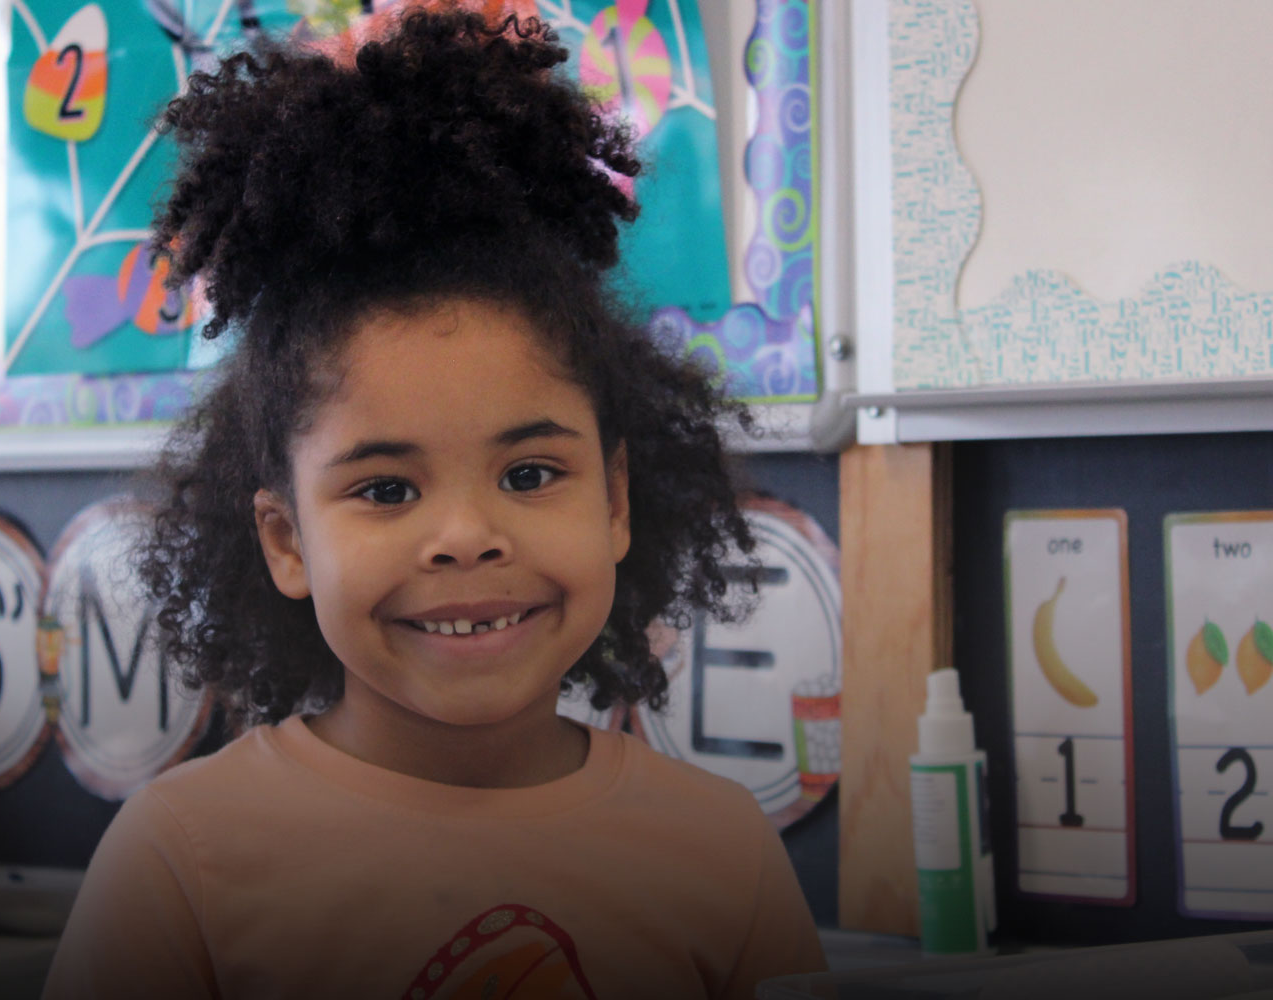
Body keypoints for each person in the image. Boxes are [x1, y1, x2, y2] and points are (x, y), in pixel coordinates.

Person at [43, 7, 828, 998]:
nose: (464, 536)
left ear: (615, 500)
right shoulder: (180, 863)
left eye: (530, 474)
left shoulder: (721, 856)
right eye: (384, 488)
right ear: (286, 540)